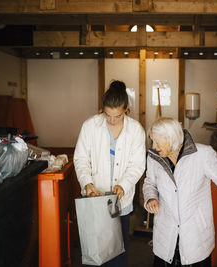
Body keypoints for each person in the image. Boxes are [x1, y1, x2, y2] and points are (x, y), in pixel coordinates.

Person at [143, 117, 217, 267]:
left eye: (157, 142)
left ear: (171, 139)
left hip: (196, 239)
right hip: (165, 237)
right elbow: (150, 182)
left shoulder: (203, 154)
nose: (154, 147)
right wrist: (150, 198)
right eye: (152, 141)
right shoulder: (154, 157)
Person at [73, 80, 146, 267]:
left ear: (127, 109)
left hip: (120, 200)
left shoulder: (136, 130)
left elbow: (138, 165)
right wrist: (87, 183)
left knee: (118, 251)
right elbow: (81, 159)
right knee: (95, 251)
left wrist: (124, 184)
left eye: (117, 116)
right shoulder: (90, 126)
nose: (112, 120)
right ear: (102, 109)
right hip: (94, 197)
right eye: (107, 115)